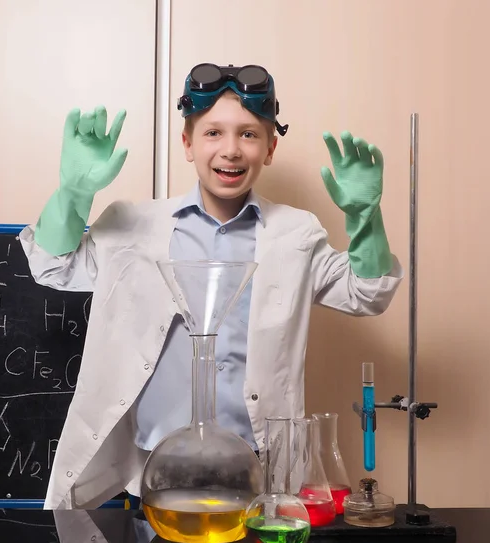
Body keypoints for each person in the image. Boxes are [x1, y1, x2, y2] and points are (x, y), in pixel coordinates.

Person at [20, 63, 403, 509]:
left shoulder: (295, 235)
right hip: (152, 469)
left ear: (270, 148)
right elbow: (52, 266)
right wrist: (71, 194)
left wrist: (365, 219)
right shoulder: (134, 226)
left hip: (260, 469)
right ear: (187, 143)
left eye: (248, 134)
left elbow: (367, 293)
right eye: (213, 133)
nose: (231, 150)